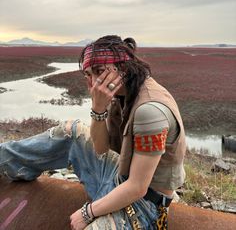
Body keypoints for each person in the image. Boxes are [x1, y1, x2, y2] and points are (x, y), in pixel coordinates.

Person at [0, 35, 186, 230]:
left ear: (123, 67)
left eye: (99, 71)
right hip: (119, 175)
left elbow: (137, 187)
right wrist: (98, 109)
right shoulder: (123, 93)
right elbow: (100, 148)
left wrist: (88, 212)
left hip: (144, 205)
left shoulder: (150, 111)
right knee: (71, 130)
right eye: (88, 74)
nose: (94, 83)